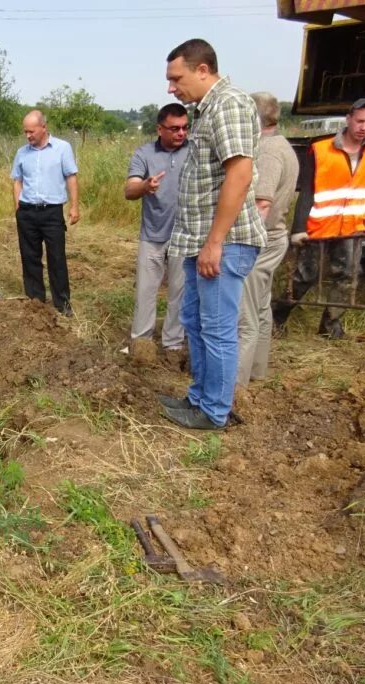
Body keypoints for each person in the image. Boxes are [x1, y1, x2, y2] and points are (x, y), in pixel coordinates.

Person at [158, 39, 266, 430]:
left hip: (224, 241)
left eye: (176, 78)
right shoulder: (206, 110)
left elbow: (238, 174)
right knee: (195, 320)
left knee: (217, 328)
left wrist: (215, 242)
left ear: (202, 70)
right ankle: (200, 397)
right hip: (200, 240)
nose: (171, 88)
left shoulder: (230, 105)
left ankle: (214, 411)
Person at [275, 97, 365, 339]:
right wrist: (298, 227)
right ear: (348, 119)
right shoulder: (321, 149)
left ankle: (330, 328)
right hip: (319, 227)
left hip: (352, 227)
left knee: (348, 277)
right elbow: (307, 190)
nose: (363, 127)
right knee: (305, 277)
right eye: (359, 121)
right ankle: (276, 318)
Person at [236, 92, 300, 386]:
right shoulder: (281, 145)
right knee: (260, 309)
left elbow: (262, 203)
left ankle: (234, 386)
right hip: (273, 237)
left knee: (244, 316)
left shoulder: (269, 152)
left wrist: (244, 245)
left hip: (260, 240)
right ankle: (257, 372)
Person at [124, 103, 191, 354]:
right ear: (159, 129)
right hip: (152, 234)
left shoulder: (194, 152)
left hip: (185, 236)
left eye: (185, 127)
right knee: (145, 291)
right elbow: (129, 190)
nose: (181, 133)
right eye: (174, 128)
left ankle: (172, 345)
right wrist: (145, 186)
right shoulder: (144, 154)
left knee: (180, 293)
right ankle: (141, 343)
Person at [11, 110, 80, 317]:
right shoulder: (22, 153)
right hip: (27, 212)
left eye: (31, 131)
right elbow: (17, 180)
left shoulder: (62, 148)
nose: (28, 136)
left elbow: (71, 177)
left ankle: (62, 304)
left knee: (56, 258)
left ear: (43, 127)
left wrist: (75, 206)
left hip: (51, 212)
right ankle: (35, 302)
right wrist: (18, 207)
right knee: (30, 257)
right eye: (25, 132)